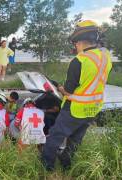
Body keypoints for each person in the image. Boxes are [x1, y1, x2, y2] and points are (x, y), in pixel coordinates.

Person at [42, 20, 112, 171]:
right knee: (75, 140)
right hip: (93, 109)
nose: (75, 46)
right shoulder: (106, 58)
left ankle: (47, 166)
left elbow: (69, 91)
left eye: (76, 43)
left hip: (75, 109)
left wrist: (59, 87)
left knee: (55, 136)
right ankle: (66, 163)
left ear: (80, 41)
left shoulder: (79, 61)